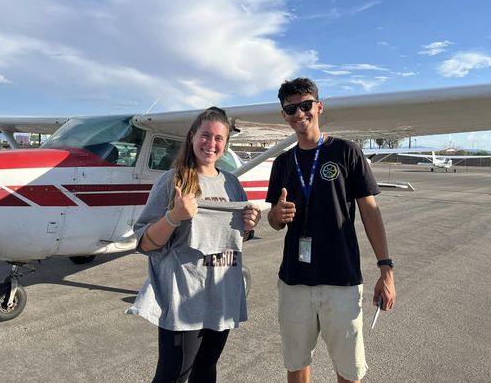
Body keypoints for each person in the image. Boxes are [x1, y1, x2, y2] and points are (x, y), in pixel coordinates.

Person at [266, 78, 396, 383]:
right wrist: (275, 215)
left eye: (305, 105)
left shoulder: (346, 152)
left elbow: (370, 211)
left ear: (319, 107)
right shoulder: (283, 163)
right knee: (296, 363)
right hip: (294, 281)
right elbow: (272, 221)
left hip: (341, 279)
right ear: (284, 115)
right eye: (290, 108)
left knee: (349, 369)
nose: (299, 113)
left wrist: (386, 268)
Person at [129, 106, 261, 383]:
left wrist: (248, 227)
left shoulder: (232, 184)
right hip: (184, 297)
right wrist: (173, 217)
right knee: (172, 375)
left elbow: (233, 238)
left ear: (225, 144)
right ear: (192, 137)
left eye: (218, 138)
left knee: (205, 371)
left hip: (221, 293)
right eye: (205, 135)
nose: (210, 144)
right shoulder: (172, 180)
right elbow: (145, 243)